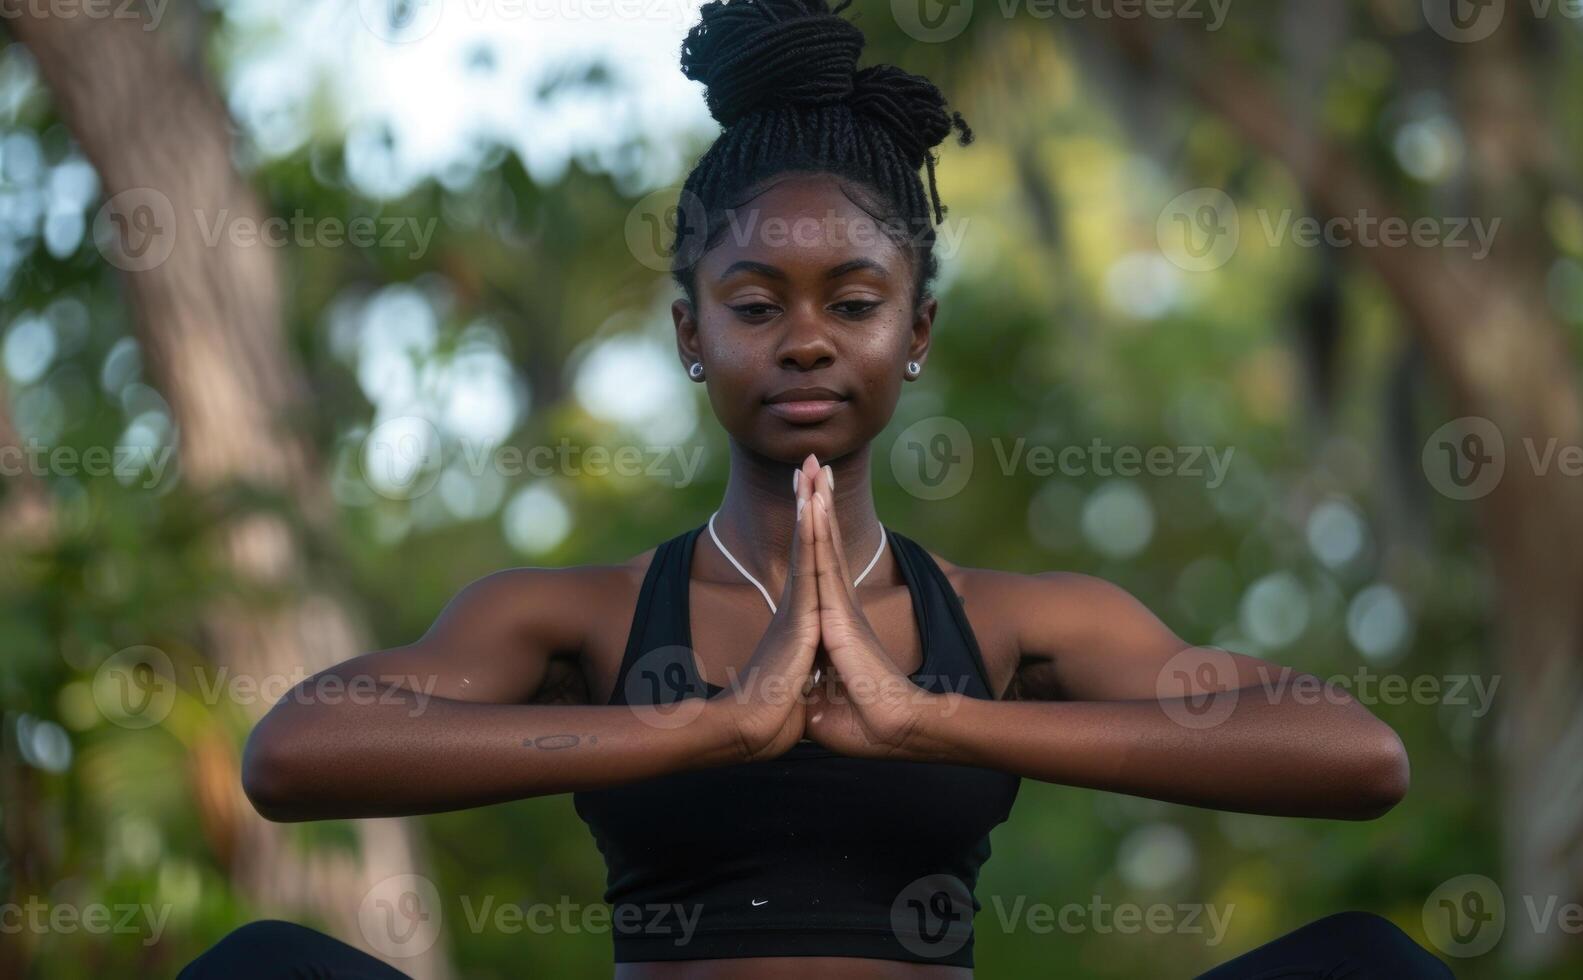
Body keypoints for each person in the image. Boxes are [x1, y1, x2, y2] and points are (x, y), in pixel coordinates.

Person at [180, 1, 1455, 977]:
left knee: (1362, 960)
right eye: (752, 305)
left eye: (852, 302)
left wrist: (926, 718)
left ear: (915, 331)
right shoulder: (578, 614)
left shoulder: (1012, 623)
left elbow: (1356, 754)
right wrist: (703, 726)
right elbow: (293, 753)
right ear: (690, 333)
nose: (803, 340)